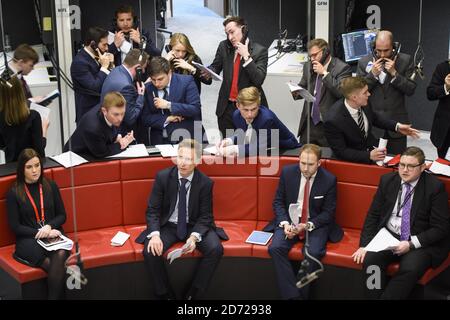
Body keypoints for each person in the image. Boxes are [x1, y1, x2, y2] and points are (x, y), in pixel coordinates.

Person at [135, 139, 228, 300]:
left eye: (188, 159)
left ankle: (193, 295)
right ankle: (166, 296)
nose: (182, 163)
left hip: (193, 226)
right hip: (169, 226)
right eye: (180, 157)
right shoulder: (163, 177)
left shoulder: (205, 183)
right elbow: (153, 210)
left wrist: (194, 237)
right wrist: (155, 234)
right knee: (150, 251)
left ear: (198, 161)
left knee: (215, 249)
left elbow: (206, 216)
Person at [352, 147, 450, 299]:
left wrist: (410, 244)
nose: (404, 170)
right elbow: (373, 215)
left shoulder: (434, 188)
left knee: (410, 269)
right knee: (372, 261)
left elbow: (440, 228)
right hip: (389, 236)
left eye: (411, 166)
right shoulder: (388, 181)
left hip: (419, 242)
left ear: (423, 167)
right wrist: (365, 245)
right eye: (401, 165)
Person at [265, 144, 343, 300]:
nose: (305, 168)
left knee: (313, 253)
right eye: (302, 163)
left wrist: (306, 225)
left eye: (310, 164)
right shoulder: (287, 173)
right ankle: (293, 297)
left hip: (315, 224)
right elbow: (278, 202)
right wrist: (285, 224)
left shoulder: (329, 180)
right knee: (275, 248)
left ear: (319, 163)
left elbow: (328, 213)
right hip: (290, 221)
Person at [6, 148, 69, 299]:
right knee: (53, 265)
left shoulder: (50, 185)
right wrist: (38, 232)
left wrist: (49, 227)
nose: (35, 170)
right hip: (29, 238)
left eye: (37, 165)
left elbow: (62, 215)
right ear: (22, 169)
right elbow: (15, 226)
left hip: (52, 233)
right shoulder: (14, 192)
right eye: (29, 167)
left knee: (60, 254)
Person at [324, 76, 420, 164]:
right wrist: (369, 155)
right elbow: (341, 151)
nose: (369, 94)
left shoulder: (364, 102)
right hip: (349, 164)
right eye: (365, 92)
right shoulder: (333, 120)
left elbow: (374, 118)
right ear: (354, 97)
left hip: (370, 155)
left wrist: (397, 127)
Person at [357, 30, 417, 155]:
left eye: (386, 50)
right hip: (373, 125)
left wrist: (395, 74)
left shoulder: (405, 60)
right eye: (379, 51)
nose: (382, 55)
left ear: (394, 48)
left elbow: (411, 89)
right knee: (373, 165)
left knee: (397, 162)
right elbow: (357, 91)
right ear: (374, 47)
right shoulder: (363, 62)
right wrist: (372, 75)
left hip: (397, 123)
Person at [208, 16, 268, 138]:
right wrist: (204, 71)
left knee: (250, 149)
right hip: (226, 108)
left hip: (248, 108)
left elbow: (258, 79)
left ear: (243, 29)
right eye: (227, 34)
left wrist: (246, 56)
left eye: (232, 32)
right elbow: (215, 67)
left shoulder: (259, 51)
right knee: (227, 149)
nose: (230, 37)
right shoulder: (224, 46)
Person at [297, 39, 351, 146]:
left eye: (315, 55)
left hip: (328, 125)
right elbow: (303, 85)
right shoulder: (308, 66)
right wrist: (295, 91)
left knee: (328, 159)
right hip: (309, 124)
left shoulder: (342, 68)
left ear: (325, 52)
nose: (312, 59)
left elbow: (341, 93)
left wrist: (325, 74)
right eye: (310, 56)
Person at [217, 86, 300, 157]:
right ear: (238, 106)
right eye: (246, 110)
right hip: (263, 145)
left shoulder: (267, 119)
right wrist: (229, 141)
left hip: (283, 148)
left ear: (259, 105)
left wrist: (233, 148)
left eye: (253, 109)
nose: (249, 114)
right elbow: (244, 134)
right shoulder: (236, 115)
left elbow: (260, 147)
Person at [142, 56, 202, 145]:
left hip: (187, 136)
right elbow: (145, 118)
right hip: (160, 139)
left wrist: (169, 105)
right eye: (153, 80)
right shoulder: (148, 88)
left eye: (160, 79)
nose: (157, 83)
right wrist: (167, 119)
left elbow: (195, 109)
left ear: (169, 72)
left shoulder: (186, 81)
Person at [63, 91, 134, 158]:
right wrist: (122, 143)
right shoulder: (93, 129)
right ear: (104, 111)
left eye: (122, 113)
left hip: (92, 149)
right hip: (75, 158)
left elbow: (109, 130)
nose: (120, 118)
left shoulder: (108, 108)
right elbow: (102, 153)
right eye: (116, 114)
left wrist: (117, 137)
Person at [100, 48, 148, 140]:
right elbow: (131, 118)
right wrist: (141, 96)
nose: (144, 72)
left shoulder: (116, 70)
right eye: (143, 68)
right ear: (137, 68)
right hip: (118, 134)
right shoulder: (126, 87)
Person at [71, 27, 114, 124]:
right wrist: (104, 67)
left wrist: (110, 66)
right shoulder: (80, 63)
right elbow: (95, 87)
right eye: (104, 45)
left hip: (100, 112)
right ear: (93, 44)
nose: (107, 48)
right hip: (88, 115)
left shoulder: (98, 57)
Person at [0, 77, 48, 163]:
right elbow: (39, 150)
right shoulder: (33, 116)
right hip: (31, 168)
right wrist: (44, 129)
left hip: (10, 168)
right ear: (20, 92)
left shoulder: (2, 118)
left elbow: (2, 144)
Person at [426, 60, 450, 159]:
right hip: (445, 130)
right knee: (442, 167)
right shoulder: (443, 67)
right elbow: (430, 93)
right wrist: (446, 87)